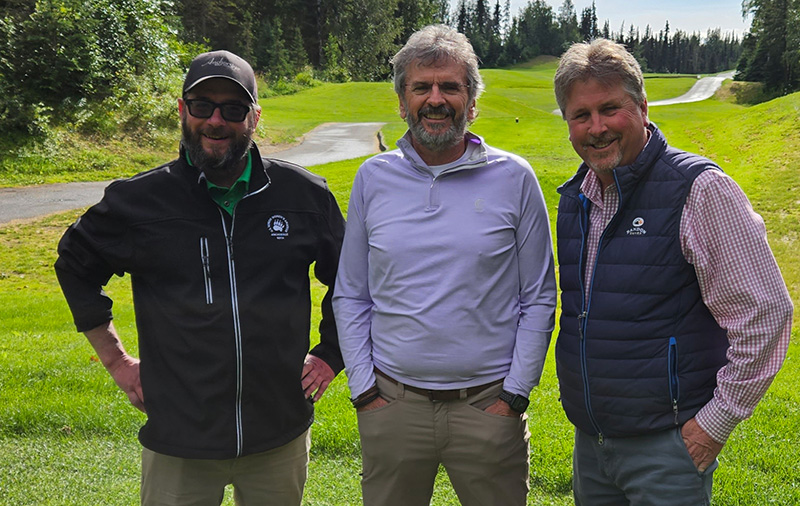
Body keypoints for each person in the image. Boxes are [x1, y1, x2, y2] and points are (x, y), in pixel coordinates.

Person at [55, 50, 345, 505]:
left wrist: (331, 353)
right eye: (202, 105)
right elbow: (74, 264)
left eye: (233, 109)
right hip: (179, 443)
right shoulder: (139, 202)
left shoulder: (304, 196)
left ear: (254, 117)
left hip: (279, 435)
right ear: (181, 110)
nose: (215, 120)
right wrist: (115, 361)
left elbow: (350, 282)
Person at [553, 38, 793, 505]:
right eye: (581, 115)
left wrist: (716, 423)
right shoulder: (576, 199)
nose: (596, 127)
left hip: (669, 449)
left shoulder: (701, 190)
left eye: (610, 109)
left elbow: (766, 314)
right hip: (592, 445)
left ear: (642, 107)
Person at [332, 25, 557, 506]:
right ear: (402, 101)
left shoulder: (514, 178)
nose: (436, 99)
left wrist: (514, 394)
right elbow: (351, 293)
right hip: (392, 406)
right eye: (422, 87)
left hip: (487, 407)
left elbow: (538, 297)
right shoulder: (373, 178)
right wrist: (364, 391)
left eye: (450, 86)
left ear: (471, 101)